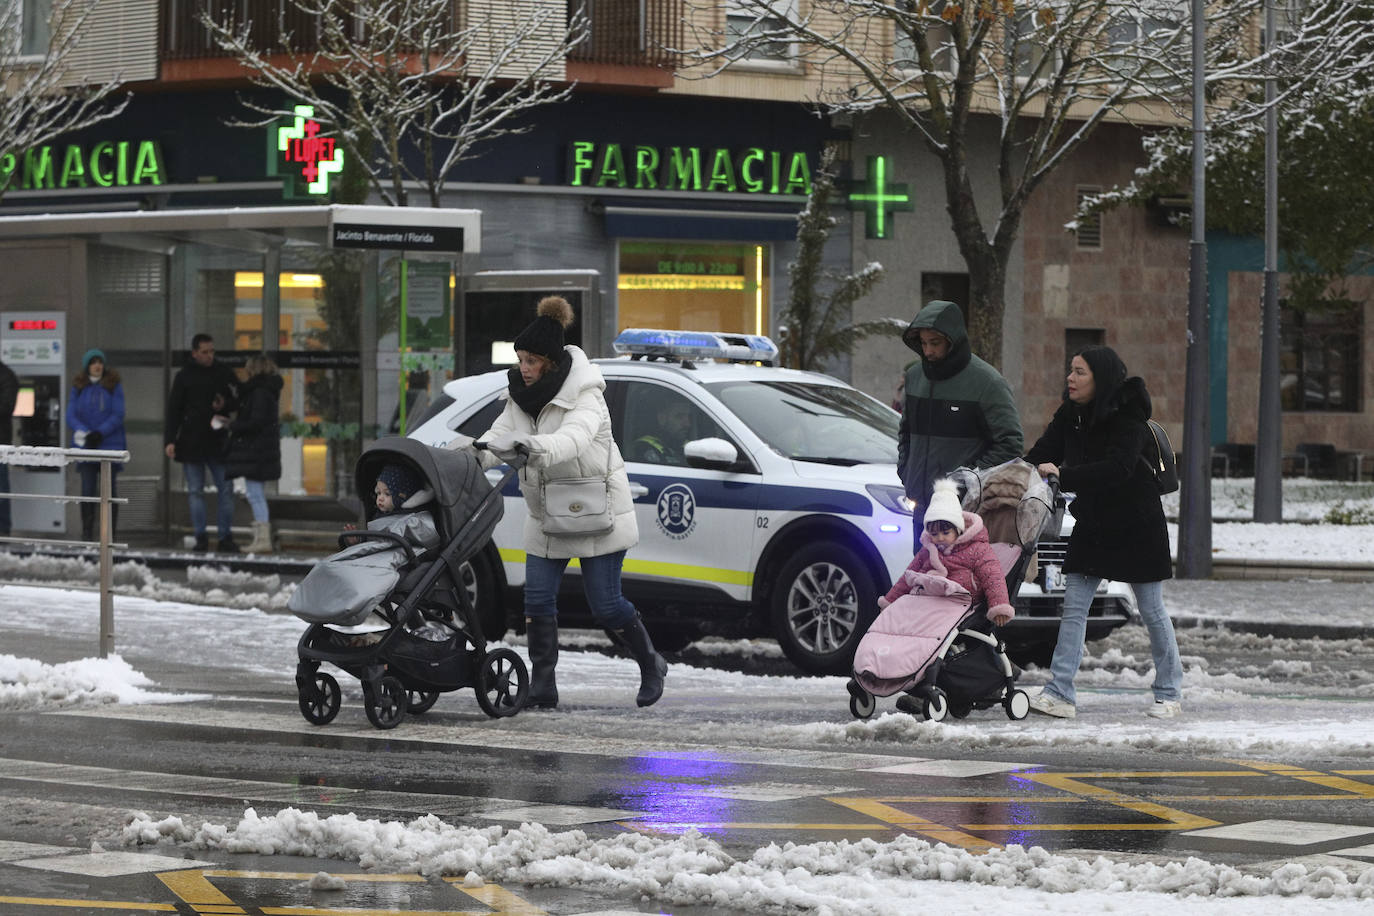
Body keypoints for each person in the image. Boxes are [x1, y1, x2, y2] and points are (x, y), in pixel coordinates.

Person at [467, 295, 666, 710]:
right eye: (520, 357)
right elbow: (497, 436)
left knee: (607, 606)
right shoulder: (519, 398)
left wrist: (530, 445)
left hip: (596, 512)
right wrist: (470, 452)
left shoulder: (587, 396)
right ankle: (543, 685)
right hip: (546, 513)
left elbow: (571, 441)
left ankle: (651, 663)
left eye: (532, 360)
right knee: (536, 600)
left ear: (551, 363)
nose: (523, 366)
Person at [1023, 345, 1183, 720]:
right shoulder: (1071, 415)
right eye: (1071, 370)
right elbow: (1042, 452)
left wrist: (1065, 474)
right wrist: (1012, 471)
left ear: (1101, 378)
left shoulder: (1128, 418)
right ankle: (1060, 692)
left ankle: (1169, 691)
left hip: (1136, 524)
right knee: (1074, 608)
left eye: (1079, 372)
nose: (1070, 378)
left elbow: (1119, 468)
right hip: (1094, 522)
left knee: (1152, 609)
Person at [897, 300, 1023, 553]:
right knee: (923, 584)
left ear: (953, 341)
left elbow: (1010, 444)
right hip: (921, 507)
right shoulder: (914, 377)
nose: (928, 351)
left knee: (961, 588)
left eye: (935, 343)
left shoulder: (987, 382)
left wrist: (966, 481)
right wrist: (906, 471)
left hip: (964, 511)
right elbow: (906, 432)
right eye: (923, 343)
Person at [879, 478, 1015, 627]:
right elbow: (908, 575)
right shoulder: (928, 550)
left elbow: (993, 577)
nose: (940, 538)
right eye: (934, 534)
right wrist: (890, 601)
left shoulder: (977, 549)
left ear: (959, 529)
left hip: (960, 603)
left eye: (945, 532)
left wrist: (999, 606)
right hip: (928, 602)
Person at [164, 333, 240, 553]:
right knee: (196, 490)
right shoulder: (185, 376)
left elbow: (238, 399)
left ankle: (224, 537)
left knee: (225, 489)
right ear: (195, 352)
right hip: (192, 441)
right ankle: (201, 536)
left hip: (216, 440)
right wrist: (170, 440)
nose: (209, 356)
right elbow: (174, 410)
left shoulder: (224, 373)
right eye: (205, 352)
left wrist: (225, 404)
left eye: (212, 351)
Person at [226, 354, 283, 554]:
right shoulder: (267, 391)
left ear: (255, 370)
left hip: (257, 451)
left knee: (255, 495)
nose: (245, 372)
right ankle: (261, 537)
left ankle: (262, 539)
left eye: (248, 368)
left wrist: (232, 425)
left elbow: (255, 422)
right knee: (255, 494)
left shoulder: (259, 392)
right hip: (262, 451)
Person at [68, 349, 127, 541]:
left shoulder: (113, 386)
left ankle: (109, 534)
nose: (97, 365)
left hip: (109, 445)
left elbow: (118, 414)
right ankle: (87, 532)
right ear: (87, 366)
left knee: (109, 491)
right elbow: (70, 415)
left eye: (99, 362)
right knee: (87, 490)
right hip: (87, 446)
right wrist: (85, 433)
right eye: (93, 362)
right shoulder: (78, 387)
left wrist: (100, 432)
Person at [631, 399, 693, 464]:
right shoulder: (644, 448)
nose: (688, 424)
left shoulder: (691, 446)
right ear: (661, 418)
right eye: (679, 416)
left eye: (689, 417)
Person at [0, 358, 16, 539]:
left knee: (1, 487)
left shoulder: (6, 375)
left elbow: (7, 406)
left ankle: (3, 529)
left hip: (1, 442)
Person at [389, 369, 431, 435]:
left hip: (410, 427)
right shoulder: (422, 395)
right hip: (412, 427)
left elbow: (397, 414)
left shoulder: (411, 394)